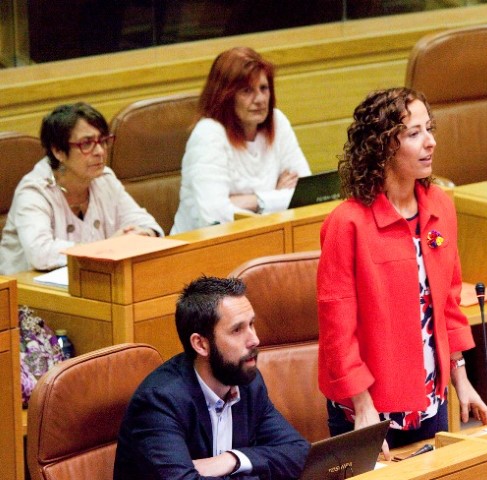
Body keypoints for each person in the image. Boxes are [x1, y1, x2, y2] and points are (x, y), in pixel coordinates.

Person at [317, 87, 487, 458]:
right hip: (369, 411)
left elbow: (446, 305)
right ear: (382, 148)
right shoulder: (347, 224)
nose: (430, 142)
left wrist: (462, 381)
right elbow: (338, 332)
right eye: (414, 133)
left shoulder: (440, 206)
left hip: (431, 399)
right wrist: (364, 411)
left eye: (430, 129)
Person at [113, 275, 309, 480]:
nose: (254, 340)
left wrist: (232, 460)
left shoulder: (249, 384)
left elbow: (298, 452)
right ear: (201, 344)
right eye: (237, 330)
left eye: (251, 324)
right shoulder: (159, 403)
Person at [0, 102, 163, 275]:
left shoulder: (104, 179)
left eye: (103, 141)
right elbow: (40, 253)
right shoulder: (34, 190)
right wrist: (108, 248)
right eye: (86, 144)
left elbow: (147, 224)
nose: (100, 151)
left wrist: (142, 234)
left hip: (91, 283)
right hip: (29, 295)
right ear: (58, 151)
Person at [170, 47, 311, 233]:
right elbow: (216, 218)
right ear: (225, 96)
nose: (260, 99)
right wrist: (276, 196)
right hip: (203, 248)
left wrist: (250, 201)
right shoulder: (208, 135)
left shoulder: (278, 122)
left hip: (269, 239)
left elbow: (308, 194)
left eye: (264, 88)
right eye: (247, 91)